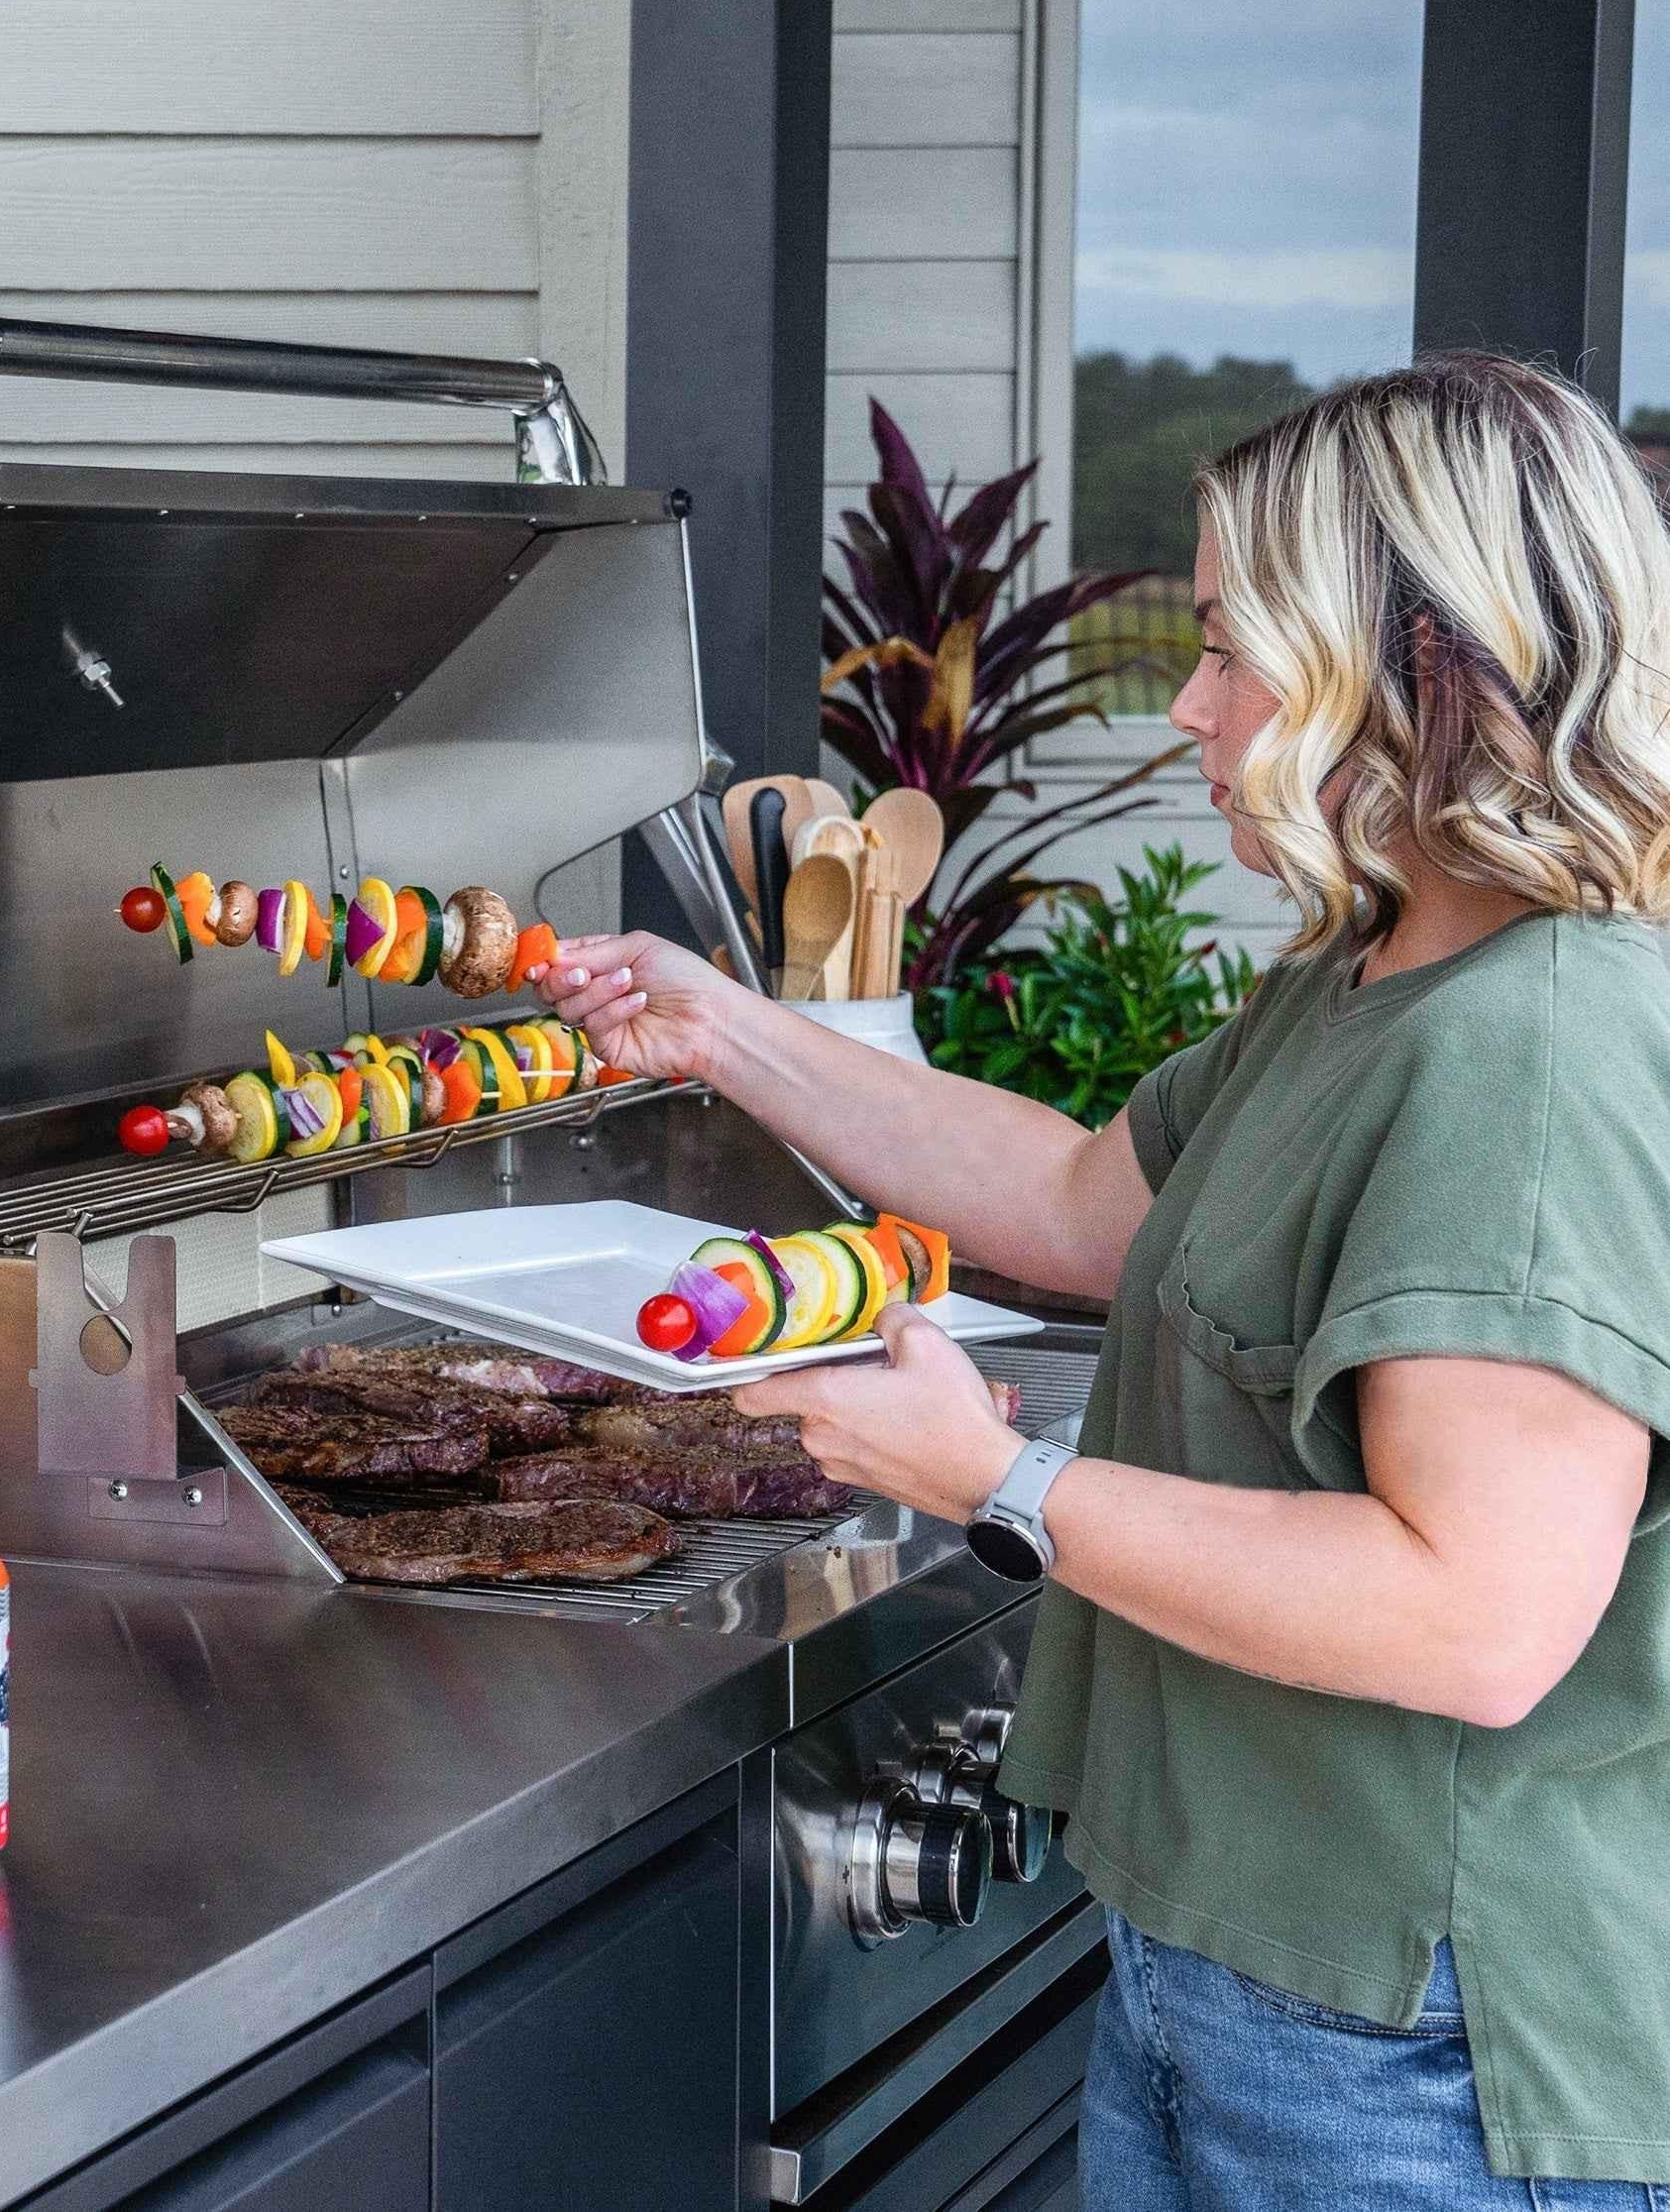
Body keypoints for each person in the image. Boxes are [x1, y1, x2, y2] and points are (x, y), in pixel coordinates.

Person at [537, 354, 1670, 2209]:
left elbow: (1477, 1616)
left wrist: (997, 1483)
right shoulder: (1370, 980)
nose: (1193, 713)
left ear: (1429, 665)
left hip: (1419, 2066)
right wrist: (724, 1029)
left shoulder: (1531, 1051)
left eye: (1234, 651)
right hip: (1227, 1982)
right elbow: (1074, 1201)